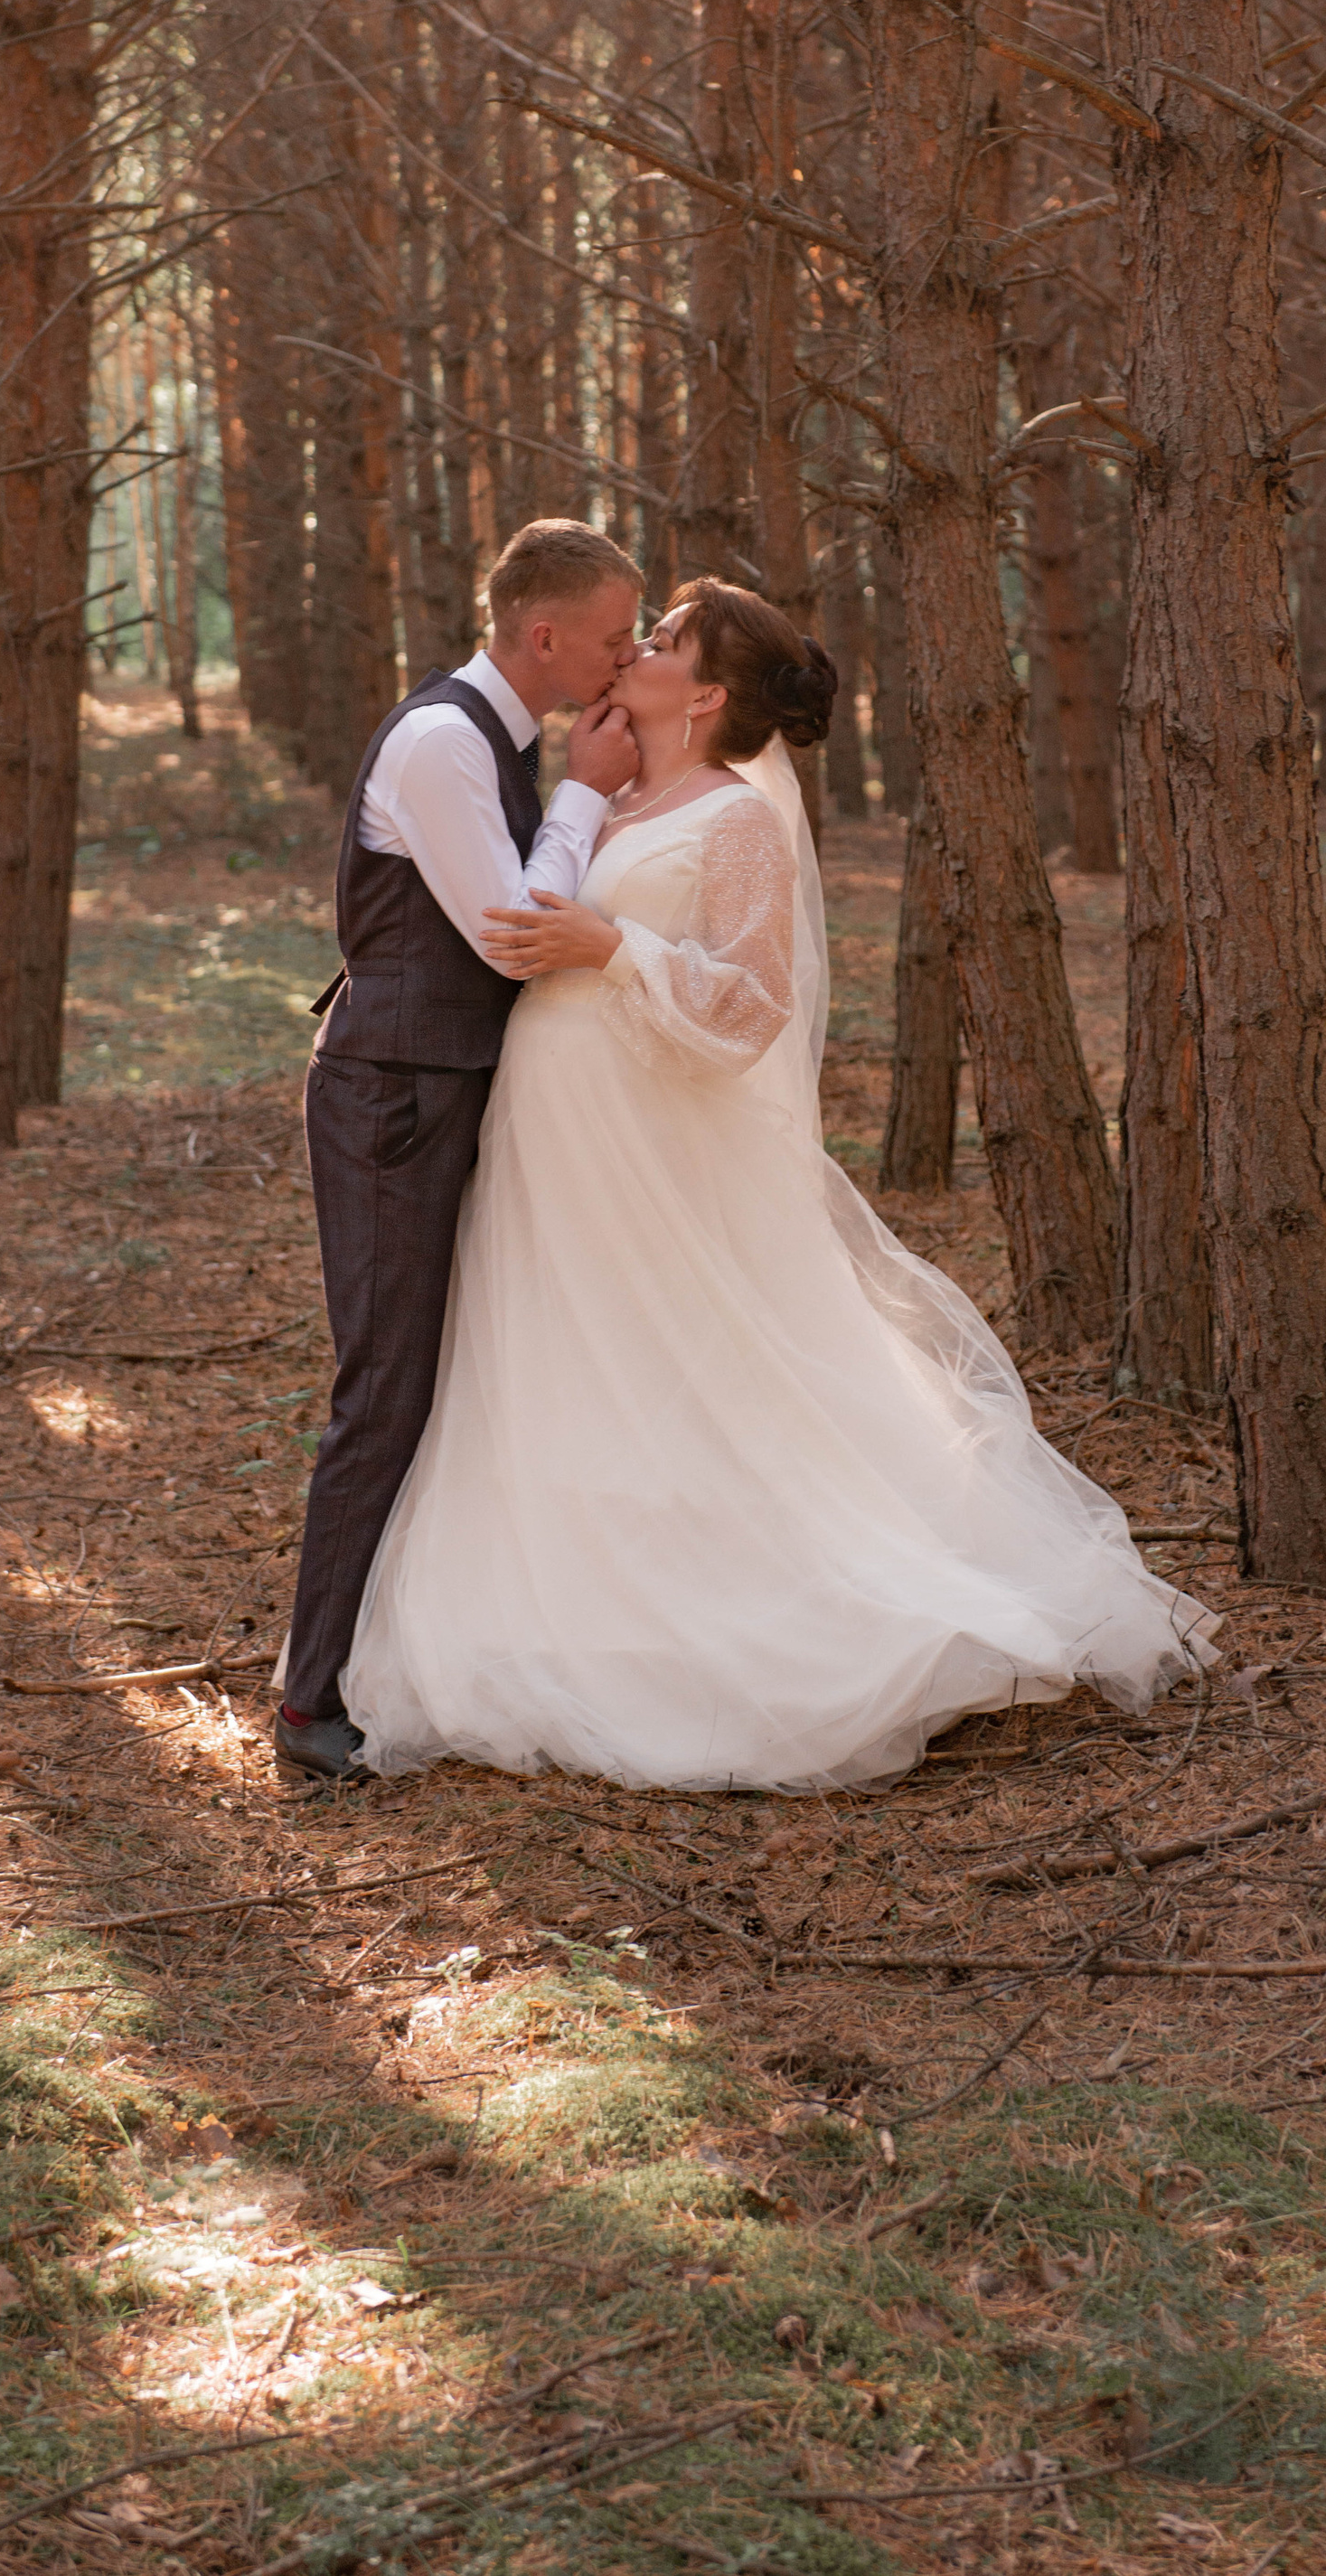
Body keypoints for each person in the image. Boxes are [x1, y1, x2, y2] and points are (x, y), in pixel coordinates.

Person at [338, 578, 1213, 1791]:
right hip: (555, 1136)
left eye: (667, 640)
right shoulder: (615, 792)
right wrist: (586, 818)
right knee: (564, 1358)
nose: (637, 647)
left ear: (702, 695)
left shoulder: (735, 816)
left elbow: (752, 1003)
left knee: (664, 1363)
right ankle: (586, 1608)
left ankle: (744, 1623)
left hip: (646, 1144)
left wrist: (616, 947)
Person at [274, 519, 644, 1783]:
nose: (626, 655)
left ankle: (395, 1658)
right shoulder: (443, 741)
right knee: (385, 1391)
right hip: (391, 1098)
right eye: (611, 637)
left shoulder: (505, 741)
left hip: (444, 1091)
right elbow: (508, 934)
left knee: (439, 1382)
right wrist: (589, 795)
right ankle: (308, 1697)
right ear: (545, 637)